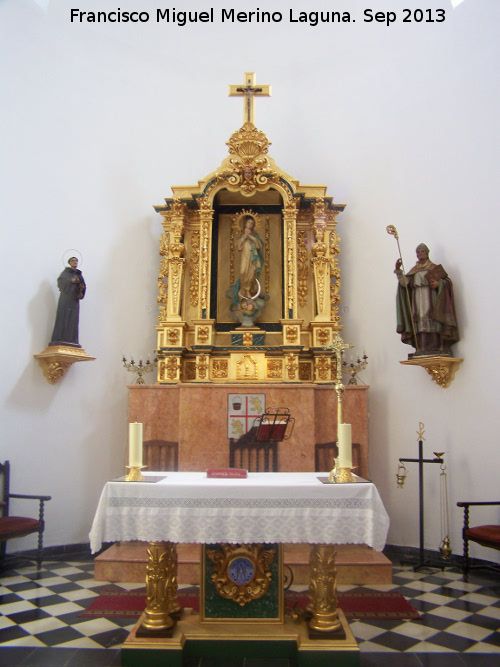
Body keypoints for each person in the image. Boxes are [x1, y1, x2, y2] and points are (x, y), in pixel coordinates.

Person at [395, 243, 459, 357]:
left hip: (431, 297)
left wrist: (439, 284)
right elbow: (404, 284)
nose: (420, 253)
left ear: (427, 253)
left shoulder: (433, 268)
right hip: (417, 299)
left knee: (431, 318)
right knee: (419, 319)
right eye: (418, 252)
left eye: (422, 251)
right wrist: (398, 271)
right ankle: (422, 346)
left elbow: (447, 282)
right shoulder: (414, 270)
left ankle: (436, 345)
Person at [49, 256, 86, 347]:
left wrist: (81, 288)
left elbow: (83, 286)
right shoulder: (66, 273)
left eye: (76, 261)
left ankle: (72, 338)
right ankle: (60, 337)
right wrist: (71, 281)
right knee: (64, 317)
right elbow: (61, 283)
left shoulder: (79, 275)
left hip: (74, 300)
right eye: (73, 261)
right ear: (69, 263)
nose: (75, 262)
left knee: (73, 318)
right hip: (66, 299)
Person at [230, 216, 264, 311]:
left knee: (251, 273)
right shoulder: (241, 234)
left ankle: (248, 290)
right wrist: (245, 236)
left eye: (252, 223)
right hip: (245, 256)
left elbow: (259, 244)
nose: (250, 224)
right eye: (249, 222)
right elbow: (238, 245)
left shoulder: (254, 234)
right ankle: (243, 289)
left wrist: (251, 237)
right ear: (245, 223)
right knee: (243, 271)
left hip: (253, 257)